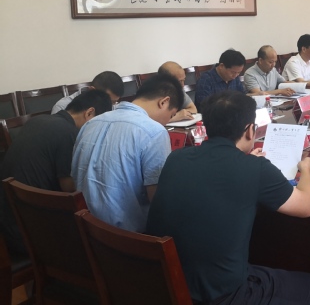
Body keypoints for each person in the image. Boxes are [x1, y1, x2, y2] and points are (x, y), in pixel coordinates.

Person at [146, 91, 310, 305]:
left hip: (167, 284)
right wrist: (306, 169)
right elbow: (306, 206)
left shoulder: (176, 158)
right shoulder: (255, 168)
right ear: (250, 130)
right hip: (221, 295)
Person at [0, 90, 112, 254]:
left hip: (10, 221)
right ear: (89, 113)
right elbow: (69, 188)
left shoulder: (38, 120)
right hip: (31, 235)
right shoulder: (68, 133)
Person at [71, 74, 184, 232]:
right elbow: (157, 200)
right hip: (126, 237)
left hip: (85, 229)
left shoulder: (91, 123)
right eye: (171, 115)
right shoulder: (154, 131)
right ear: (163, 102)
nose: (167, 121)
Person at [51, 71, 124, 114]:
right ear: (92, 90)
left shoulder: (114, 106)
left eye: (114, 102)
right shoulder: (62, 107)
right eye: (108, 101)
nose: (110, 105)